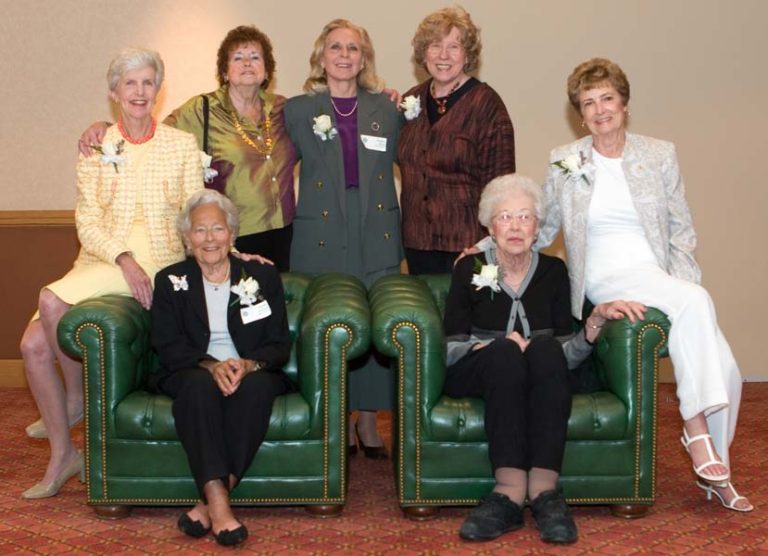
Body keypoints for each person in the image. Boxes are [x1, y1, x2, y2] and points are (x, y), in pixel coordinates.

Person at [536, 58, 750, 512]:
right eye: (588, 103)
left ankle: (718, 475)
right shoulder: (565, 159)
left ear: (625, 103)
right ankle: (694, 428)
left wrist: (677, 285)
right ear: (579, 113)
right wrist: (489, 245)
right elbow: (544, 223)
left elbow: (681, 231)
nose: (599, 110)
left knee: (725, 364)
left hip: (656, 272)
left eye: (607, 98)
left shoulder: (659, 154)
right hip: (605, 274)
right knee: (696, 300)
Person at [19, 48, 203, 498]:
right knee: (31, 345)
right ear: (114, 94)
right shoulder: (98, 145)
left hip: (157, 260)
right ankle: (64, 455)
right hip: (104, 259)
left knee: (49, 301)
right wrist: (122, 257)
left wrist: (224, 254)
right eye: (130, 84)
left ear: (158, 91)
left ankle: (76, 397)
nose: (139, 92)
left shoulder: (180, 145)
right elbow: (88, 221)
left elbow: (194, 212)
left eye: (147, 83)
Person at [445, 174, 644, 543]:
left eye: (525, 216)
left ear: (538, 227)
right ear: (490, 226)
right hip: (481, 367)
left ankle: (545, 493)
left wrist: (591, 326)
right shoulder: (468, 269)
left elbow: (568, 355)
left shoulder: (553, 271)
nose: (516, 226)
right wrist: (491, 347)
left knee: (546, 348)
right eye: (505, 217)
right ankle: (507, 493)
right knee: (505, 351)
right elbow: (450, 346)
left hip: (542, 366)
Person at [80, 26, 297, 270]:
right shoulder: (202, 109)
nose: (247, 63)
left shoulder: (283, 109)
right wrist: (106, 127)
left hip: (285, 230)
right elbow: (151, 132)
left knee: (278, 303)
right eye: (238, 58)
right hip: (229, 235)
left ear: (266, 69)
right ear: (224, 71)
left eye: (255, 57)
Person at [284, 19, 402, 458]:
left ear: (364, 58)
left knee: (374, 317)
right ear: (321, 55)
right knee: (330, 321)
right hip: (322, 226)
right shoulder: (298, 109)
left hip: (375, 222)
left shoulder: (387, 108)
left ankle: (369, 419)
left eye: (353, 48)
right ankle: (335, 415)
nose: (344, 55)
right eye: (335, 47)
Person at [151, 189, 292, 547]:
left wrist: (248, 364)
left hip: (249, 368)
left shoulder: (261, 276)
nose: (209, 238)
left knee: (257, 387)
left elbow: (279, 344)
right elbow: (168, 344)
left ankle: (206, 505)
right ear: (186, 238)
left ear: (232, 234)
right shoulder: (169, 281)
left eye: (218, 229)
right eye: (200, 230)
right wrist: (211, 365)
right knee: (198, 388)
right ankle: (220, 505)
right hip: (192, 368)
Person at [397, 6, 515, 275]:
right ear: (423, 52)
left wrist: (488, 243)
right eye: (435, 45)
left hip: (468, 246)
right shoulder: (410, 100)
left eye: (454, 46)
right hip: (417, 244)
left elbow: (502, 188)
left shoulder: (487, 105)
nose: (443, 55)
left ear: (467, 55)